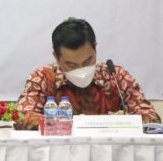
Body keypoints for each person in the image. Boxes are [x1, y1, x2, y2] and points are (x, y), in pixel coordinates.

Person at [17, 17, 160, 129]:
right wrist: (70, 123)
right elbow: (22, 116)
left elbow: (151, 116)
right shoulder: (43, 77)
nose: (81, 70)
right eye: (71, 65)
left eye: (87, 61)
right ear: (56, 57)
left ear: (95, 48)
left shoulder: (116, 76)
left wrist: (124, 120)